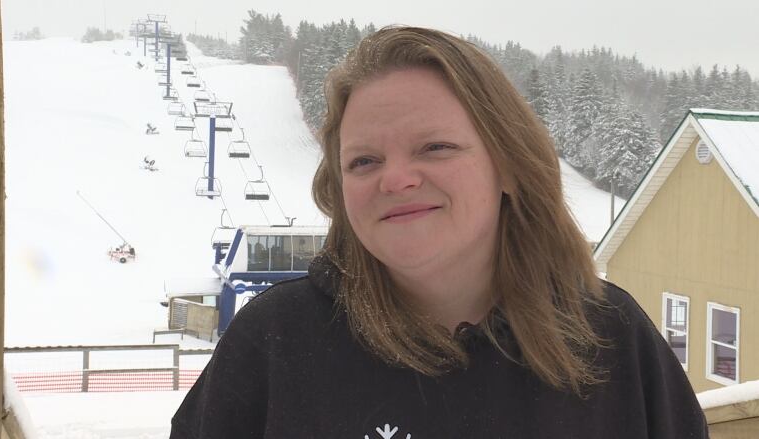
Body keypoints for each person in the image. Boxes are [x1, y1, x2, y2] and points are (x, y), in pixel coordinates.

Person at [170, 26, 708, 438]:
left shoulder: (611, 340)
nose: (396, 179)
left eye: (435, 147)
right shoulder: (275, 342)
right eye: (364, 161)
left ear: (508, 165)